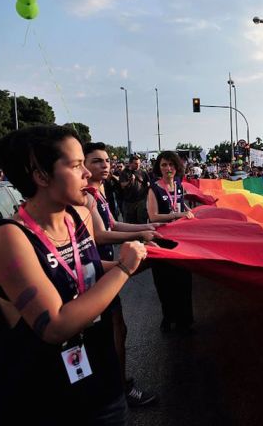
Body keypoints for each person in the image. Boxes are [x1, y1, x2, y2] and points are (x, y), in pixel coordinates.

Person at [0, 126, 147, 424]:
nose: (87, 173)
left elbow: (85, 269)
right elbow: (55, 325)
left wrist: (152, 257)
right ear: (41, 176)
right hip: (43, 402)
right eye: (76, 165)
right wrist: (125, 268)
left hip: (101, 386)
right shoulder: (8, 239)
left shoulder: (78, 216)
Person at [83, 142, 159, 406]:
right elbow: (101, 234)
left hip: (103, 266)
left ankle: (116, 383)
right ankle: (118, 387)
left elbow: (113, 223)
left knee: (117, 329)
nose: (104, 166)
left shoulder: (99, 192)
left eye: (105, 161)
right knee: (113, 331)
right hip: (96, 272)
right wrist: (140, 233)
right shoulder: (87, 195)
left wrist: (146, 225)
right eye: (96, 161)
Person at [147, 151, 195, 333]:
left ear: (177, 167)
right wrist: (177, 214)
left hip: (181, 240)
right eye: (164, 165)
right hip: (161, 241)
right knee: (164, 281)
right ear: (159, 168)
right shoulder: (154, 188)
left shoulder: (180, 187)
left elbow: (182, 206)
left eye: (171, 165)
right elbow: (153, 216)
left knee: (183, 280)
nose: (168, 168)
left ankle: (186, 320)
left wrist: (193, 213)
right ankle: (168, 317)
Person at [119, 155, 151, 224]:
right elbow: (122, 185)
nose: (138, 165)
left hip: (141, 201)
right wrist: (130, 181)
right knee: (130, 223)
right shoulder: (124, 173)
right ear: (130, 163)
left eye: (139, 163)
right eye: (136, 163)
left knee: (142, 220)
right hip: (129, 202)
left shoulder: (143, 172)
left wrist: (148, 185)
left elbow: (148, 182)